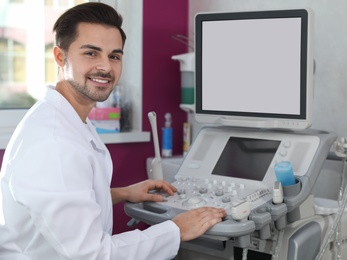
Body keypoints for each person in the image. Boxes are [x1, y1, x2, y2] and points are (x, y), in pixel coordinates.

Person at [0, 3, 226, 259]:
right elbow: (93, 254)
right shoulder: (54, 143)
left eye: (114, 56)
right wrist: (175, 230)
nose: (105, 67)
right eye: (91, 53)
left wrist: (121, 193)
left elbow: (66, 197)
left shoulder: (68, 117)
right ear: (60, 57)